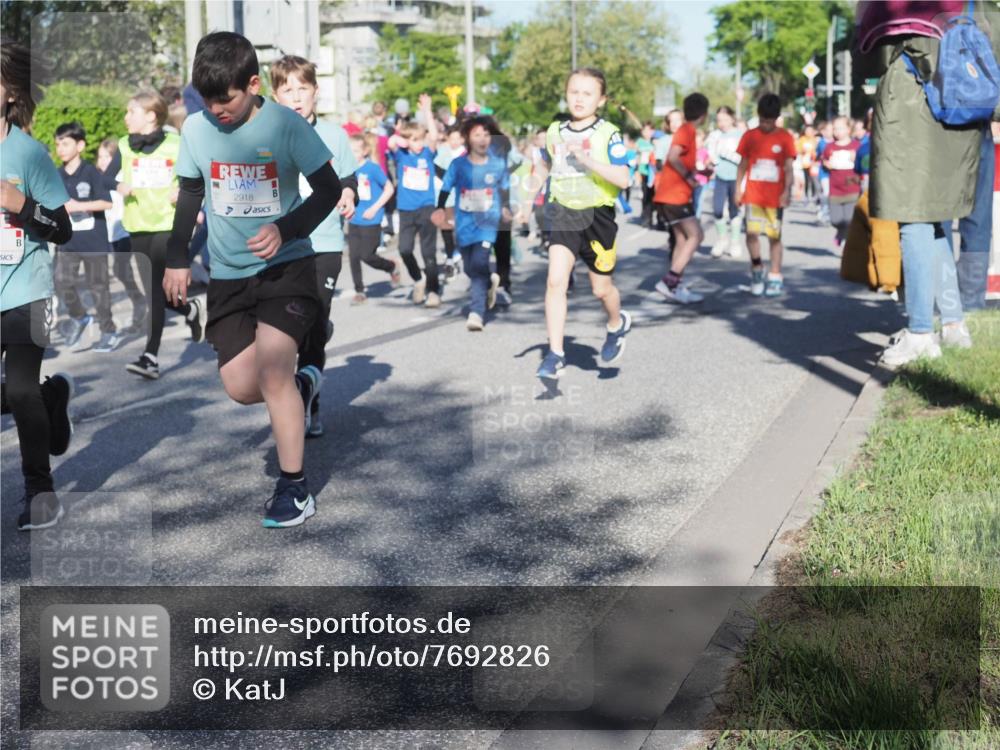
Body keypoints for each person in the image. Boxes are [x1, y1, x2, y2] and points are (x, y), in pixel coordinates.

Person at [162, 31, 342, 527]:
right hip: (229, 276)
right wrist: (177, 256)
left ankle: (294, 488)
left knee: (272, 374)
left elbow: (329, 189)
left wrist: (286, 228)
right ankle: (304, 388)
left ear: (254, 84)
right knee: (242, 387)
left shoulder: (284, 125)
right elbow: (190, 194)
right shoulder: (197, 130)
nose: (217, 110)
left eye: (227, 99)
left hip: (287, 270)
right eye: (208, 101)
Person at [854, 0, 1000, 366]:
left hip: (914, 103)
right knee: (934, 220)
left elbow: (870, 48)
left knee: (914, 216)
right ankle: (952, 325)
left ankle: (920, 333)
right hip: (963, 107)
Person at [1, 37, 75, 530]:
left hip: (26, 286)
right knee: (28, 394)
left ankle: (40, 491)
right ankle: (52, 401)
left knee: (21, 389)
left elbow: (63, 228)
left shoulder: (27, 154)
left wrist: (19, 204)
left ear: (9, 92)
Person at [270, 54, 359, 439]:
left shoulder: (335, 135)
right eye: (287, 89)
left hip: (322, 242)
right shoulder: (266, 135)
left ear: (316, 92)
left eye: (302, 88)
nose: (295, 96)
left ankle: (310, 402)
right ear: (275, 95)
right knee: (290, 328)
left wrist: (350, 192)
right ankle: (313, 337)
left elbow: (348, 176)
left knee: (313, 323)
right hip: (280, 244)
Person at [533, 67, 632, 384]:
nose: (579, 98)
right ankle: (556, 353)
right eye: (574, 91)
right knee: (555, 281)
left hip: (598, 217)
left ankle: (616, 324)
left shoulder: (608, 133)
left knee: (601, 289)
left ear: (600, 100)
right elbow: (546, 167)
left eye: (587, 93)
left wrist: (587, 160)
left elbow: (624, 177)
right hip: (564, 212)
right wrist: (522, 199)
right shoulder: (554, 131)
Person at [117, 90, 206, 379]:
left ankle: (150, 357)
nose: (126, 117)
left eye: (132, 111)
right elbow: (112, 177)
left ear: (151, 115)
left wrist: (182, 190)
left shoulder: (176, 143)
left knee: (156, 291)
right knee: (155, 293)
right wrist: (120, 186)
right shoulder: (123, 145)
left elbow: (199, 174)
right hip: (137, 223)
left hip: (167, 225)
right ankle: (190, 310)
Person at [431, 115, 509, 331]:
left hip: (487, 223)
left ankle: (476, 312)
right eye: (477, 135)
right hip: (464, 224)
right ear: (467, 137)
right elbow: (446, 188)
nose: (482, 139)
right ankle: (489, 281)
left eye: (486, 135)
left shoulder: (497, 164)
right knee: (470, 267)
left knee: (480, 262)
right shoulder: (458, 165)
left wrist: (506, 207)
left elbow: (504, 188)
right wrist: (439, 208)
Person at [52, 122, 119, 352]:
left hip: (93, 241)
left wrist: (78, 206)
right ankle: (79, 317)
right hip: (68, 241)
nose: (60, 148)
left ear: (80, 145)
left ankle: (108, 331)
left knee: (98, 287)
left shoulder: (91, 172)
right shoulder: (56, 175)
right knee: (61, 283)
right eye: (58, 144)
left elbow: (106, 203)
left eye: (66, 143)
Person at [735, 93, 796, 297]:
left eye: (769, 121)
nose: (766, 125)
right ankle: (757, 268)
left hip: (774, 197)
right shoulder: (750, 136)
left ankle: (775, 275)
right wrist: (738, 188)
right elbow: (742, 165)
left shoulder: (785, 137)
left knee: (774, 236)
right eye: (762, 120)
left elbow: (788, 168)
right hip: (753, 195)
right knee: (751, 234)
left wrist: (787, 191)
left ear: (777, 118)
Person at [653, 92, 710, 304]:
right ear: (704, 115)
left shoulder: (688, 131)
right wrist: (687, 176)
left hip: (672, 194)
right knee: (696, 236)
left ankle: (676, 285)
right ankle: (670, 281)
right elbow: (673, 156)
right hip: (673, 194)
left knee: (682, 238)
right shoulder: (687, 131)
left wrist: (698, 174)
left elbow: (681, 161)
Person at [387, 94, 442, 308]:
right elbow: (391, 141)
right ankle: (419, 279)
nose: (419, 144)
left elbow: (434, 136)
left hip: (427, 207)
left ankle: (434, 291)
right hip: (406, 209)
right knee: (405, 249)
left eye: (420, 139)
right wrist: (402, 138)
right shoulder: (402, 155)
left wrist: (427, 111)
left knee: (429, 252)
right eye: (415, 140)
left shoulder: (427, 154)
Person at [96, 137, 146, 335]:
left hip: (126, 229)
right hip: (112, 232)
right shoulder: (100, 177)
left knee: (121, 268)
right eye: (99, 157)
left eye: (106, 157)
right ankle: (140, 301)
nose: (101, 161)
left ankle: (141, 304)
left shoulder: (121, 176)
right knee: (120, 271)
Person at [347, 133, 399, 303]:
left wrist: (375, 208)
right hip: (354, 219)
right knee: (354, 256)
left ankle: (391, 266)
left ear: (365, 151)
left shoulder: (372, 169)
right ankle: (359, 291)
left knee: (367, 255)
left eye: (355, 150)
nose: (352, 154)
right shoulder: (348, 170)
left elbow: (389, 188)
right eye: (350, 150)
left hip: (371, 219)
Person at [706, 106, 743, 258]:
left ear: (732, 119)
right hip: (720, 177)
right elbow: (710, 155)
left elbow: (744, 157)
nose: (722, 123)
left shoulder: (740, 135)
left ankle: (735, 242)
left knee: (735, 209)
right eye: (719, 120)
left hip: (736, 177)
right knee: (717, 209)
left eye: (725, 119)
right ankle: (722, 239)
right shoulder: (715, 135)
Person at [822, 116, 862, 251]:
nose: (837, 131)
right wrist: (826, 164)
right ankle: (840, 232)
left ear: (849, 129)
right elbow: (823, 161)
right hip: (835, 189)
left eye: (840, 128)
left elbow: (864, 165)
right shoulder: (829, 147)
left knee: (849, 220)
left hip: (852, 188)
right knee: (835, 220)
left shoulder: (856, 146)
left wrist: (855, 159)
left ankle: (847, 244)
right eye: (835, 129)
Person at [435, 126, 465, 279]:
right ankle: (450, 258)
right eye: (451, 138)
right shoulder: (443, 152)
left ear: (462, 139)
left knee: (461, 230)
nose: (454, 142)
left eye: (457, 138)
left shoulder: (466, 154)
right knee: (446, 229)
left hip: (463, 198)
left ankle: (459, 252)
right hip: (446, 198)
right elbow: (437, 169)